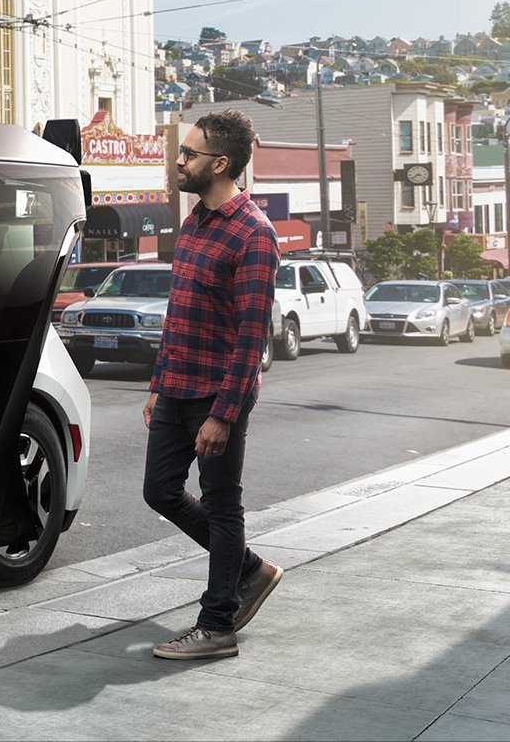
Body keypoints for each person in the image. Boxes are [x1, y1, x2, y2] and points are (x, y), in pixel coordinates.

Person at [145, 109, 283, 660]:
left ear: (220, 163)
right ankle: (248, 569)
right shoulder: (194, 221)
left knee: (223, 506)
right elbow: (178, 313)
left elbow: (251, 338)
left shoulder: (254, 233)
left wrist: (224, 414)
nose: (179, 161)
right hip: (176, 386)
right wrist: (158, 383)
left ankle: (218, 623)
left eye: (189, 154)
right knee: (160, 491)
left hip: (216, 394)